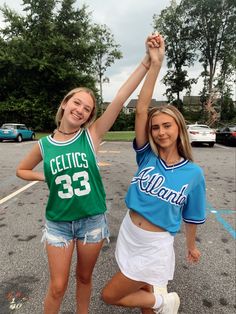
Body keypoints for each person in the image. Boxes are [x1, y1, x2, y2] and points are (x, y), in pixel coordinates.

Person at [16, 34, 161, 314]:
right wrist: (43, 176)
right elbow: (21, 170)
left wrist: (146, 60)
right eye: (77, 103)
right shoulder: (44, 145)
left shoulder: (91, 136)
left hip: (91, 221)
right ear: (64, 104)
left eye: (87, 108)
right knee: (57, 286)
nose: (81, 110)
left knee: (84, 278)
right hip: (58, 223)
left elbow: (120, 98)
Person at [101, 34, 206, 314]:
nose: (160, 131)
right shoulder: (146, 155)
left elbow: (192, 215)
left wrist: (191, 246)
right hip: (129, 233)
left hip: (155, 245)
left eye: (167, 126)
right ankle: (155, 303)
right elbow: (142, 110)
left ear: (178, 129)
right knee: (142, 294)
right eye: (156, 127)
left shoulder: (193, 174)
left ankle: (164, 301)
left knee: (110, 295)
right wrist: (155, 63)